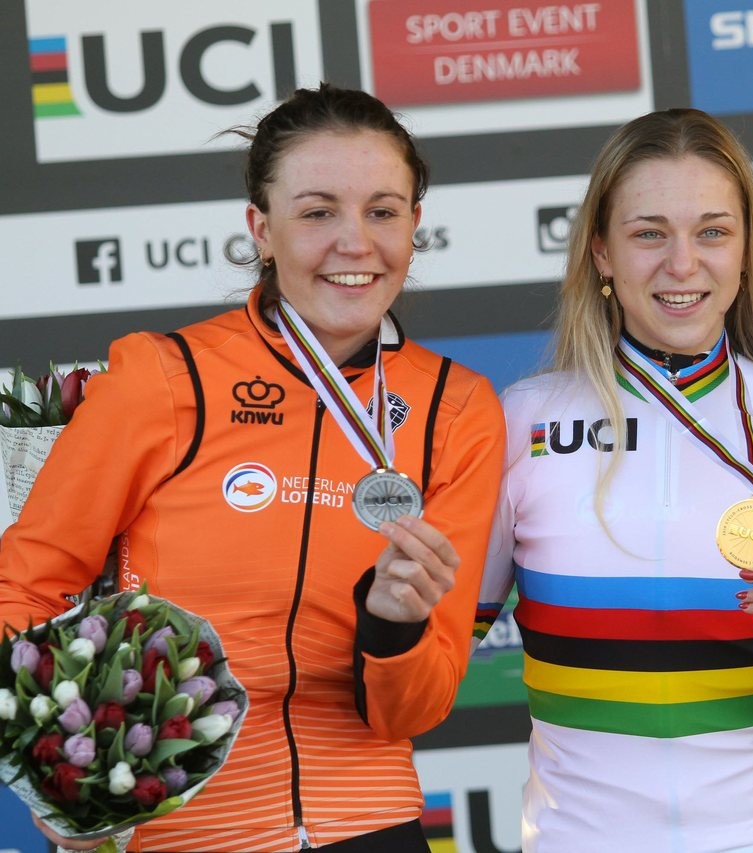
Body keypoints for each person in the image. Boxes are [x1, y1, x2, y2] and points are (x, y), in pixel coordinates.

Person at [0, 84, 505, 852]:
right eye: (316, 212)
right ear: (260, 230)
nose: (355, 241)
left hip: (369, 823)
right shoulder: (165, 378)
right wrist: (55, 769)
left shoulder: (456, 409)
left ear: (414, 225)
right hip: (177, 831)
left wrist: (396, 628)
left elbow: (416, 710)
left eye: (382, 210)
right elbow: (23, 585)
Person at [473, 108, 753, 852]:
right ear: (601, 251)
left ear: (745, 251)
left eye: (712, 231)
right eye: (649, 233)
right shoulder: (522, 423)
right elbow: (429, 668)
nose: (682, 264)